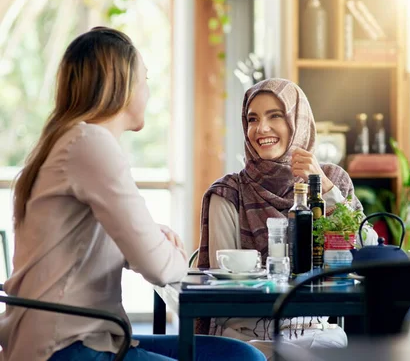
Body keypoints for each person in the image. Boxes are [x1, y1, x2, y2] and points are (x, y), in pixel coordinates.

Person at [0, 27, 265, 361]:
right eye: (145, 80)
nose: (148, 92)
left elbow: (84, 244)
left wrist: (150, 237)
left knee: (240, 356)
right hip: (64, 348)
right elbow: (160, 269)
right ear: (121, 86)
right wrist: (164, 251)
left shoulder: (69, 141)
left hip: (79, 337)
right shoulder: (90, 144)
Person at [196, 78, 376, 358]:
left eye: (275, 116)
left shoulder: (333, 180)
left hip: (314, 334)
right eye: (252, 119)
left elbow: (368, 251)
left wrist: (324, 189)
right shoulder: (229, 193)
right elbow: (226, 287)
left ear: (298, 121)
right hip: (243, 340)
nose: (261, 129)